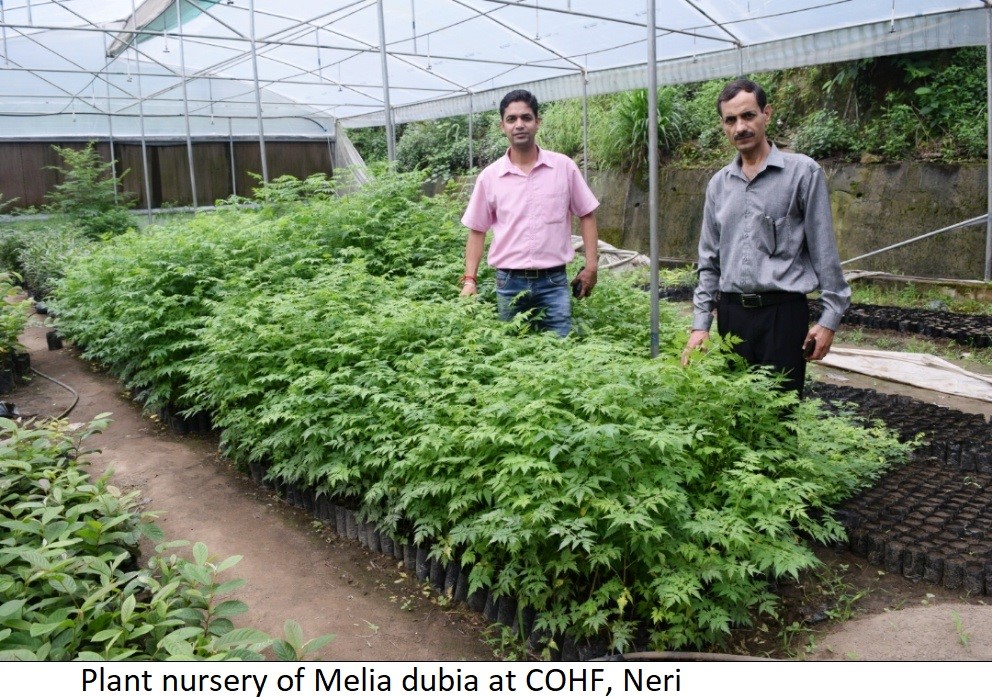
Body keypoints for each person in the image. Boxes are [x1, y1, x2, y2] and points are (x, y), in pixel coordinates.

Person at [681, 78, 851, 396]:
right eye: (731, 120)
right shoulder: (718, 185)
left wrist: (829, 320)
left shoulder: (803, 173)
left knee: (780, 411)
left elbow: (824, 250)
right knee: (736, 410)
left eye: (748, 115)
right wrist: (700, 325)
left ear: (766, 114)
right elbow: (709, 262)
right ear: (723, 125)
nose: (740, 127)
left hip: (783, 315)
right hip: (732, 316)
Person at [459, 89, 600, 337]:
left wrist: (591, 266)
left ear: (537, 122)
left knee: (559, 349)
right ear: (502, 126)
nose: (519, 125)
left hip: (554, 282)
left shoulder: (563, 167)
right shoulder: (490, 177)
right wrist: (470, 280)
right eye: (511, 119)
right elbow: (477, 230)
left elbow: (586, 214)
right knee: (511, 351)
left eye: (526, 117)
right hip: (508, 283)